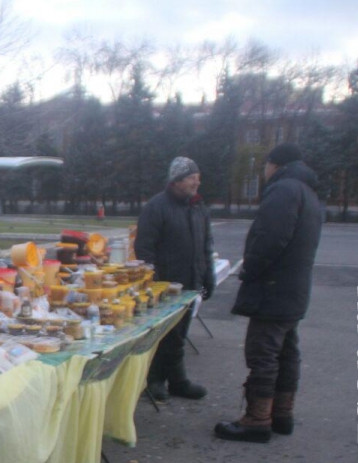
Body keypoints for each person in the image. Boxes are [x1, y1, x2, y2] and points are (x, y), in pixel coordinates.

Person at [215, 143, 323, 442]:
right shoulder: (309, 193)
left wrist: (250, 269)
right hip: (294, 289)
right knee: (287, 352)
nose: (264, 172)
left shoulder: (284, 189)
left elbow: (270, 238)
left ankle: (257, 420)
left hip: (273, 290)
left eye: (265, 166)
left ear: (274, 165)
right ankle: (281, 414)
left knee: (263, 354)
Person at [135, 156, 215, 401]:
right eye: (192, 178)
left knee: (180, 332)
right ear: (177, 180)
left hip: (191, 281)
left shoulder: (198, 207)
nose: (196, 183)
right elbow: (144, 248)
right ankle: (156, 379)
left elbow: (205, 244)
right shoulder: (156, 207)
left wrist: (207, 273)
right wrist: (156, 282)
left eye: (198, 178)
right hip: (165, 284)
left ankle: (178, 381)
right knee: (164, 333)